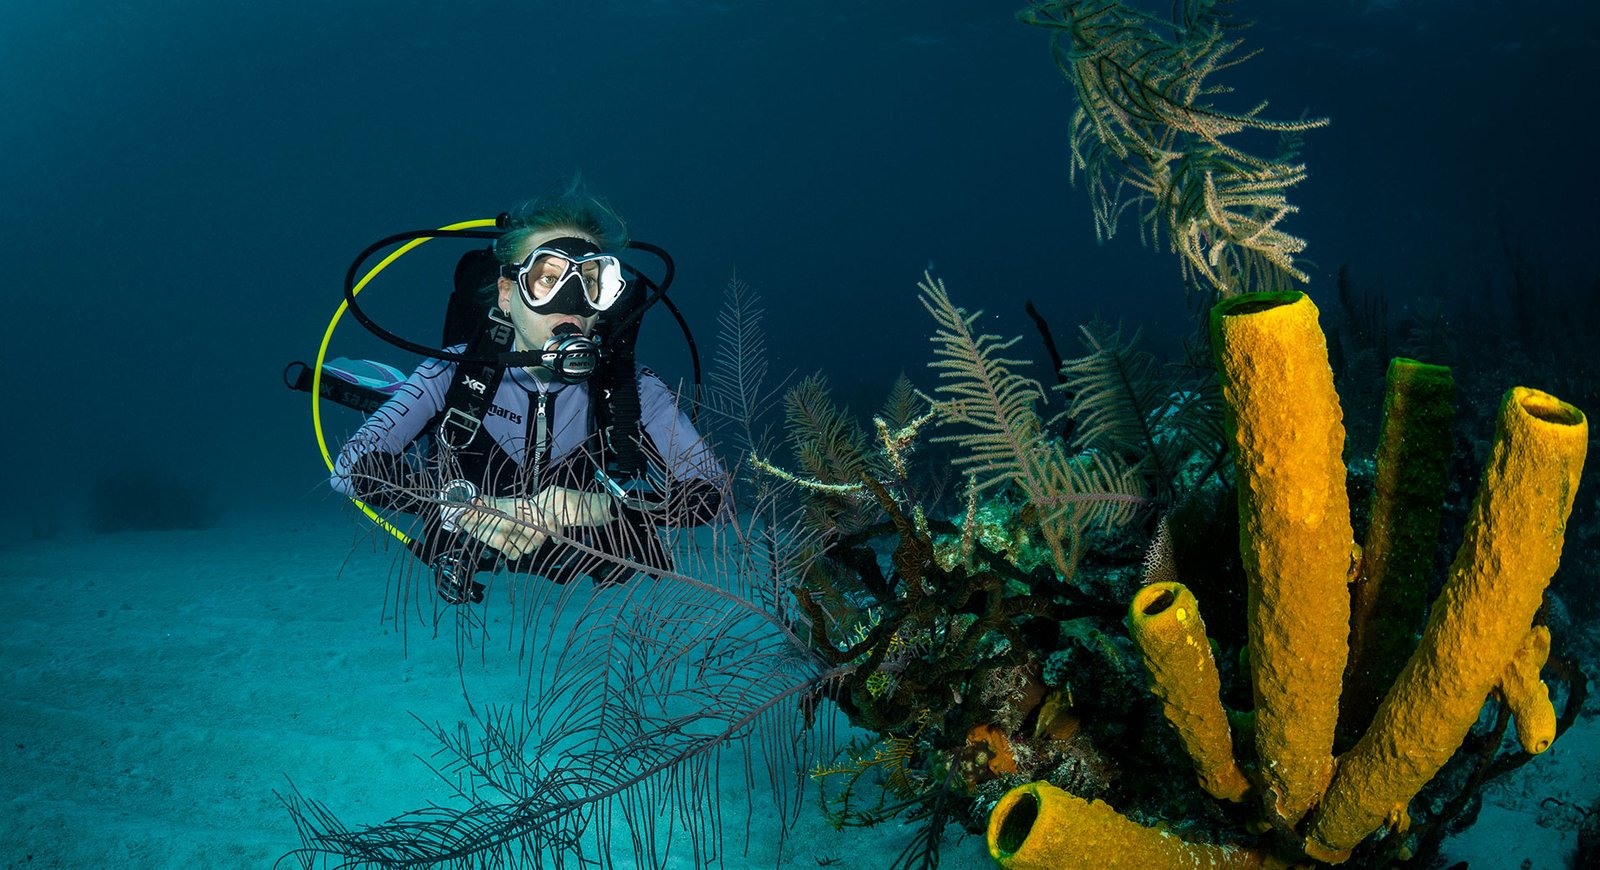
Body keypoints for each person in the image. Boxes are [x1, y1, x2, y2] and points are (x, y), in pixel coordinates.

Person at [331, 190, 726, 603]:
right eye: (548, 278)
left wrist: (608, 507)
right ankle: (387, 387)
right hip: (471, 540)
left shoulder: (635, 387)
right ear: (507, 293)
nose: (571, 301)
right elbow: (349, 466)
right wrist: (463, 506)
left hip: (585, 563)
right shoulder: (450, 371)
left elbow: (714, 493)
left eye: (589, 282)